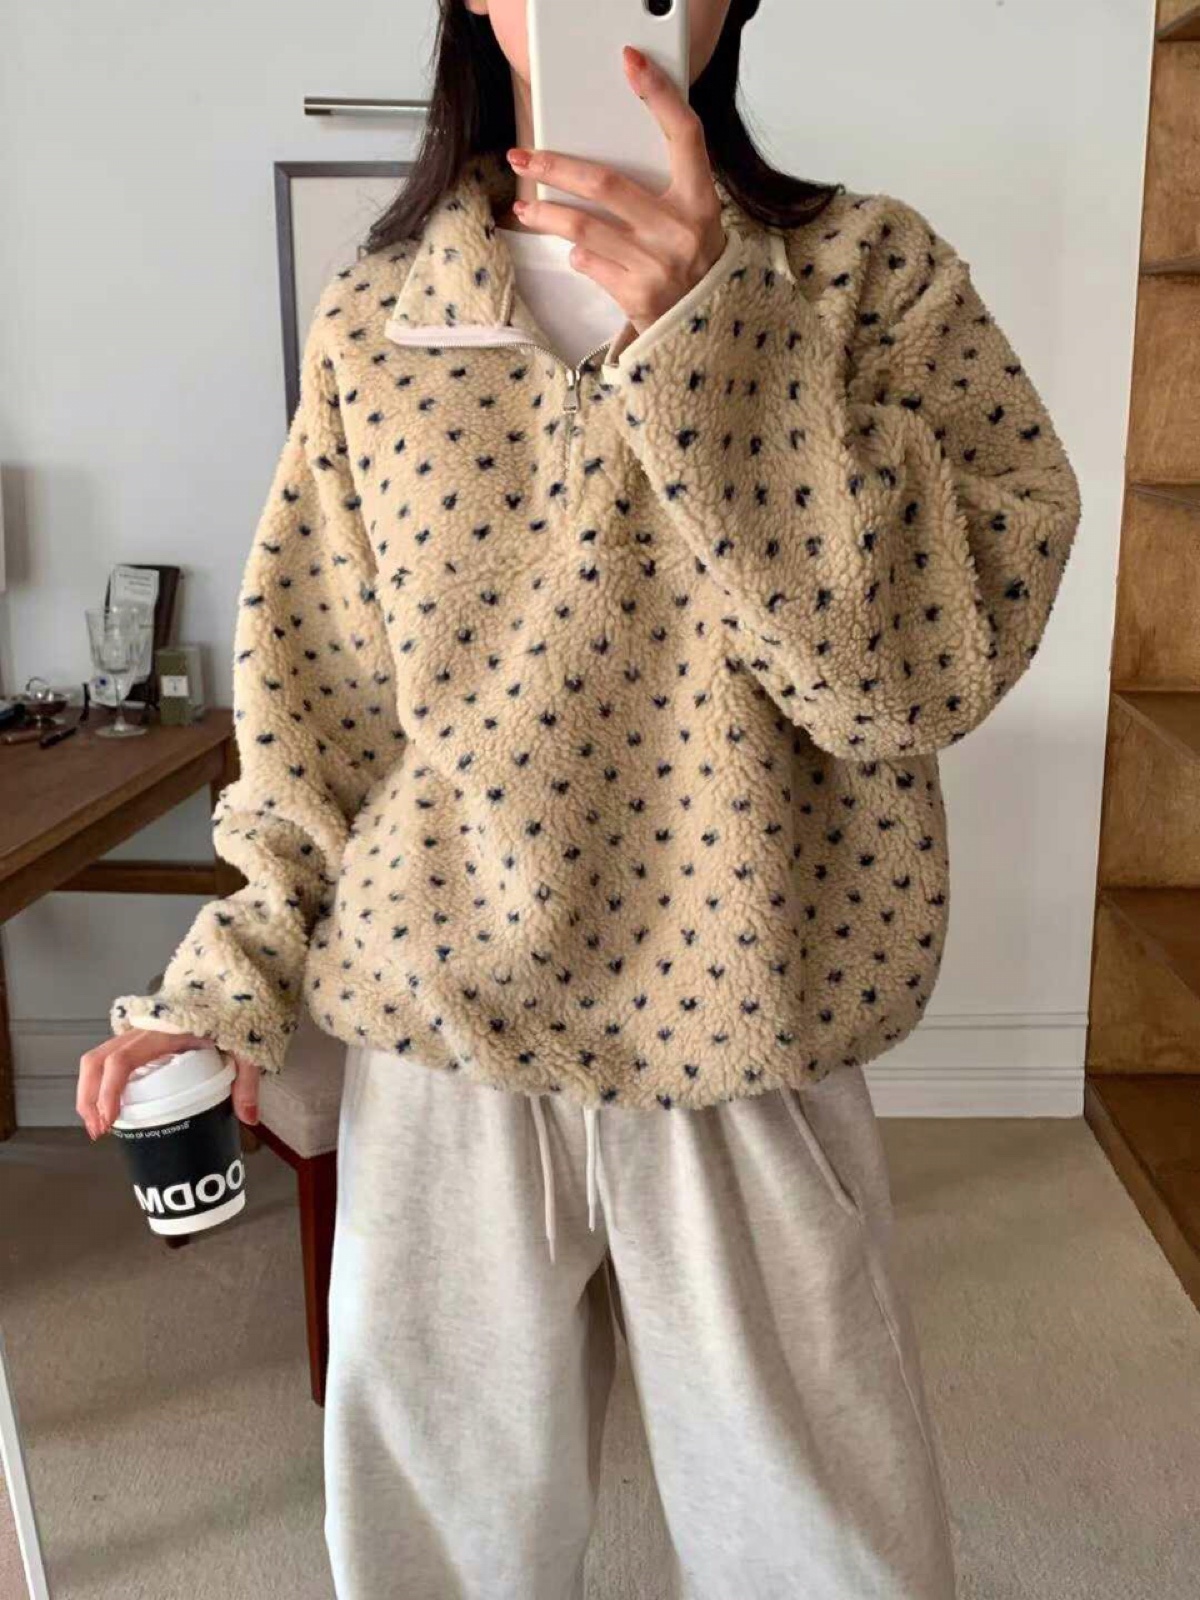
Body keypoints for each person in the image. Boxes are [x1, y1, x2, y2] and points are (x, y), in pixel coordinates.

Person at [78, 1, 1081, 1595]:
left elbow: (913, 684)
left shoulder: (865, 278)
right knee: (433, 1555)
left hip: (748, 1018)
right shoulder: (382, 316)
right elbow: (316, 704)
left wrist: (717, 345)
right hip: (440, 1034)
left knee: (827, 1558)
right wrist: (228, 983)